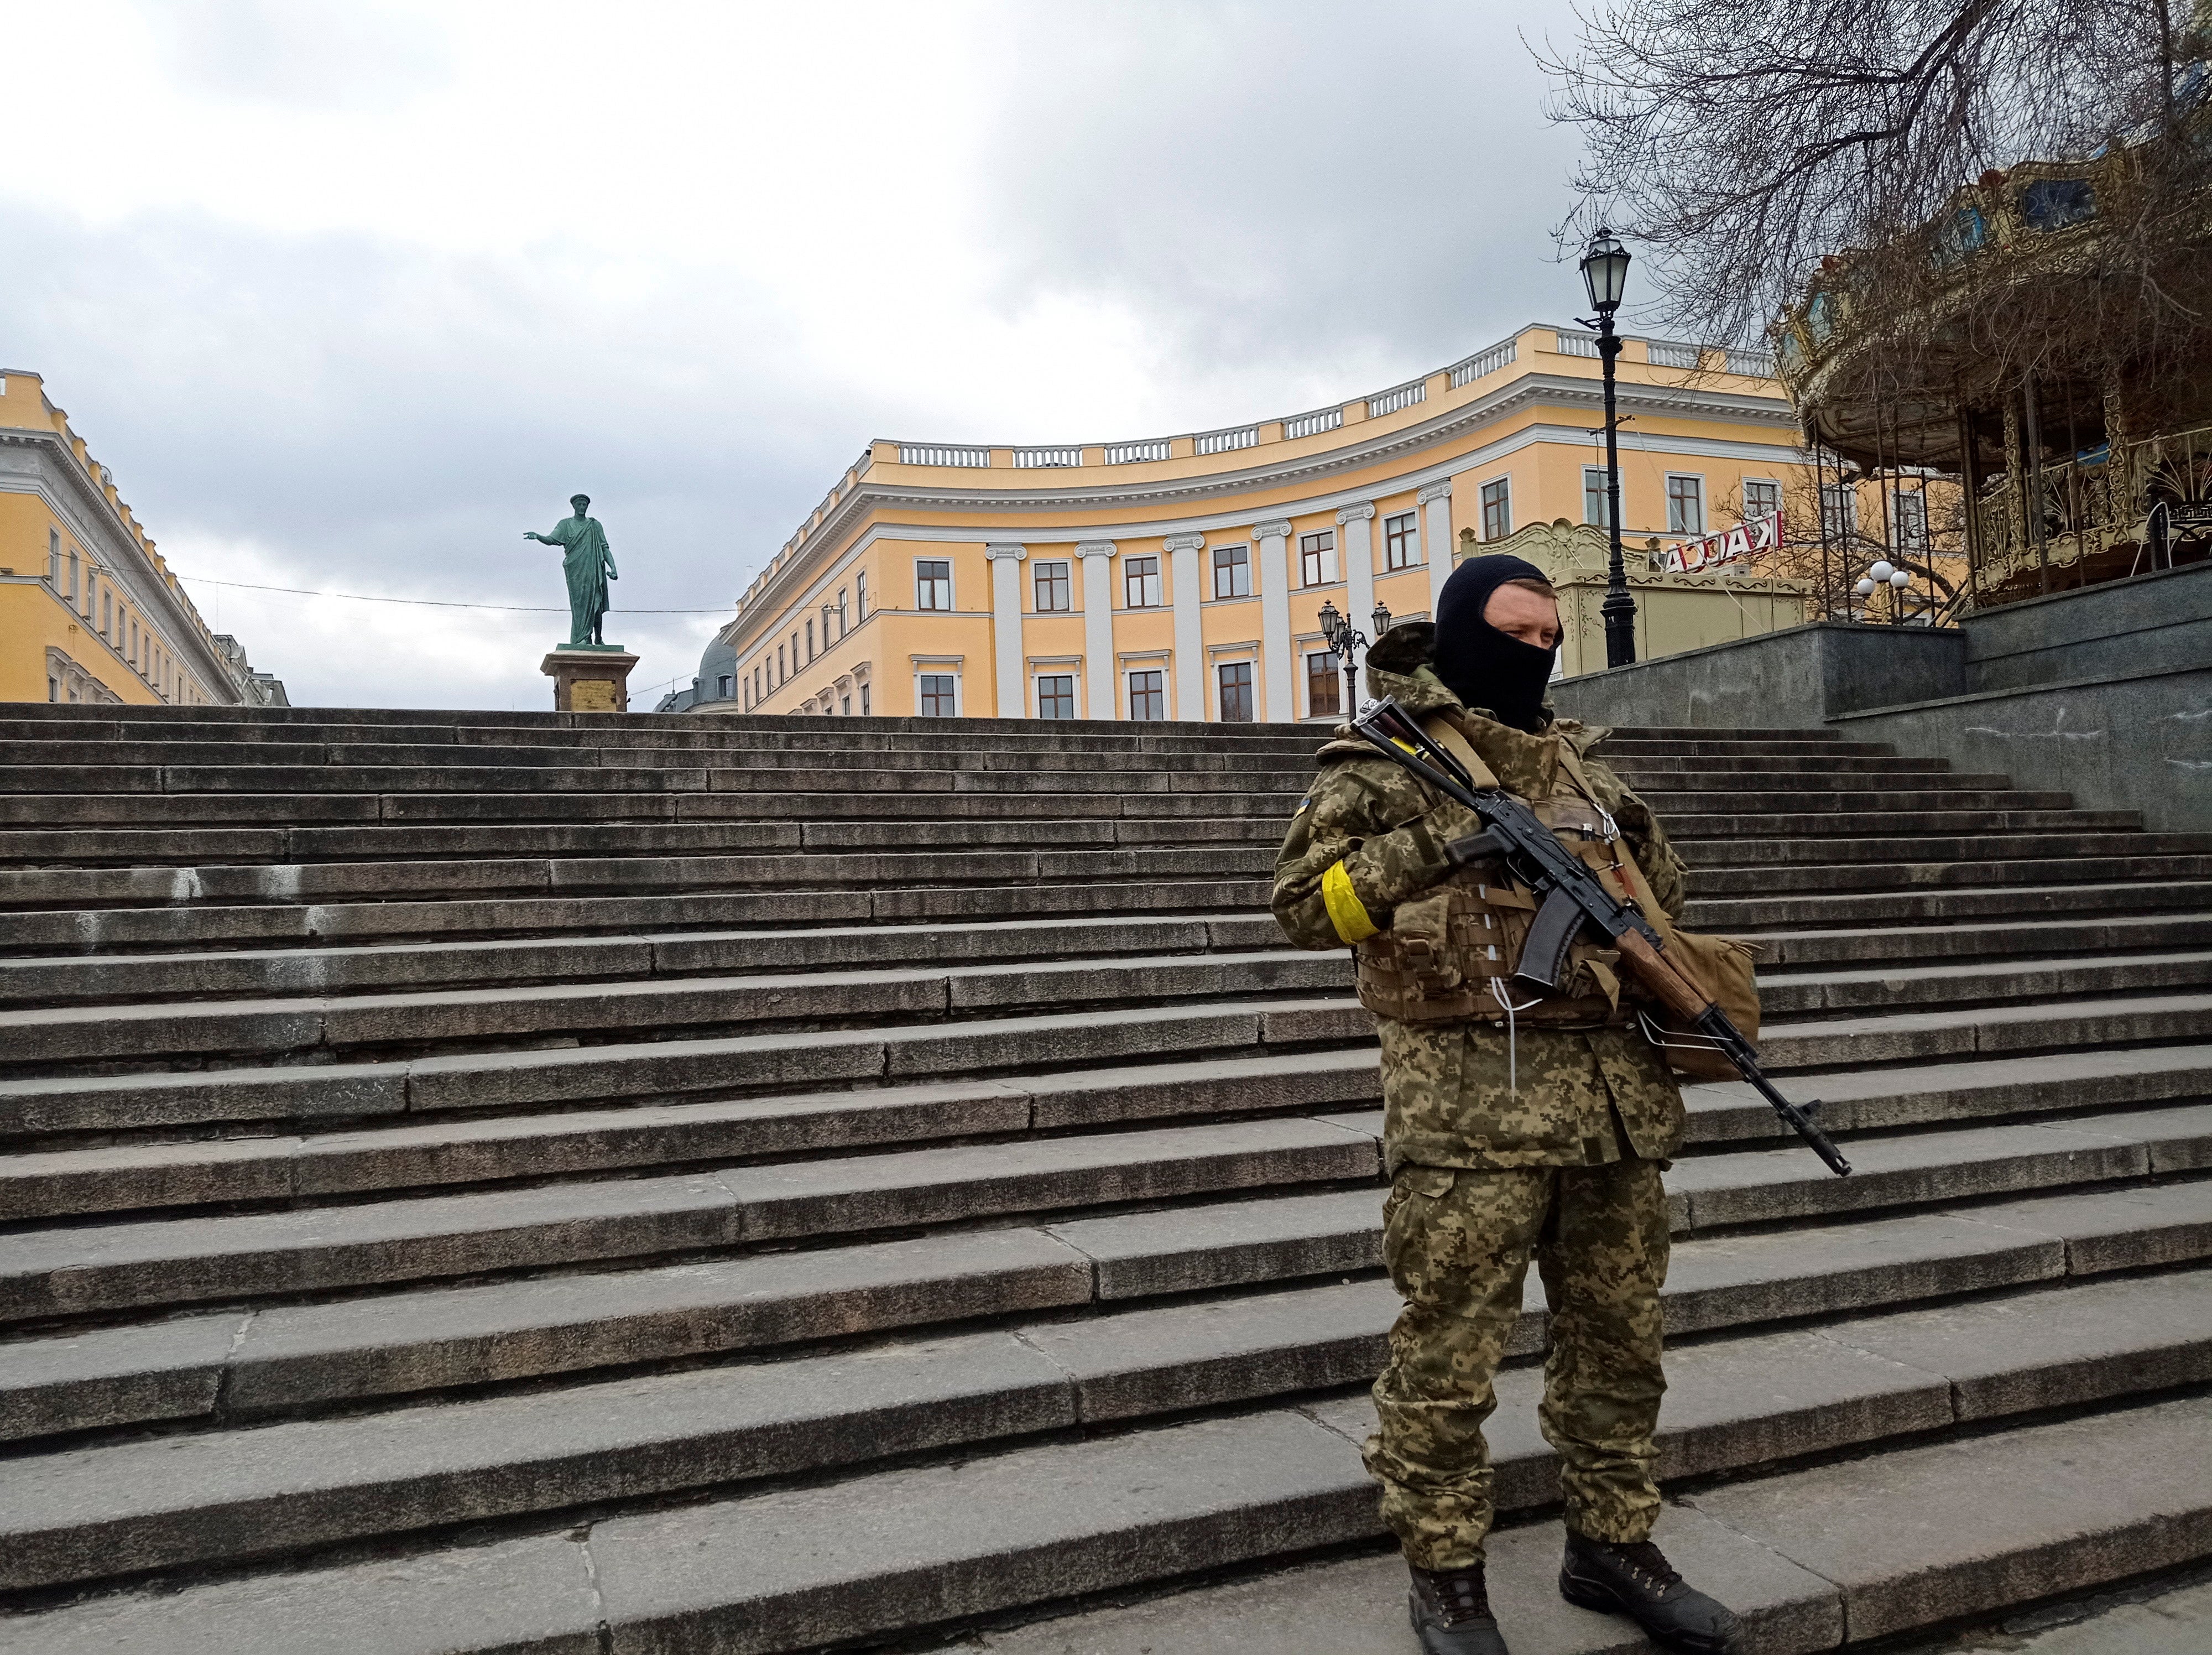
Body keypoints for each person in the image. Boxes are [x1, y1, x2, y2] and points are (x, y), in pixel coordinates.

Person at [1272, 554, 1741, 1655]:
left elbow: (1665, 898)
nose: (1535, 652)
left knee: (1619, 1346)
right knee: (1447, 1358)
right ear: (1457, 635)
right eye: (1512, 634)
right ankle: (1443, 1572)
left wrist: (1604, 851)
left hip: (1608, 1106)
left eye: (1548, 637)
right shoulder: (1385, 762)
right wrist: (1443, 841)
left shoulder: (1580, 768)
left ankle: (1612, 1542)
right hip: (1468, 1118)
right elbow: (1302, 904)